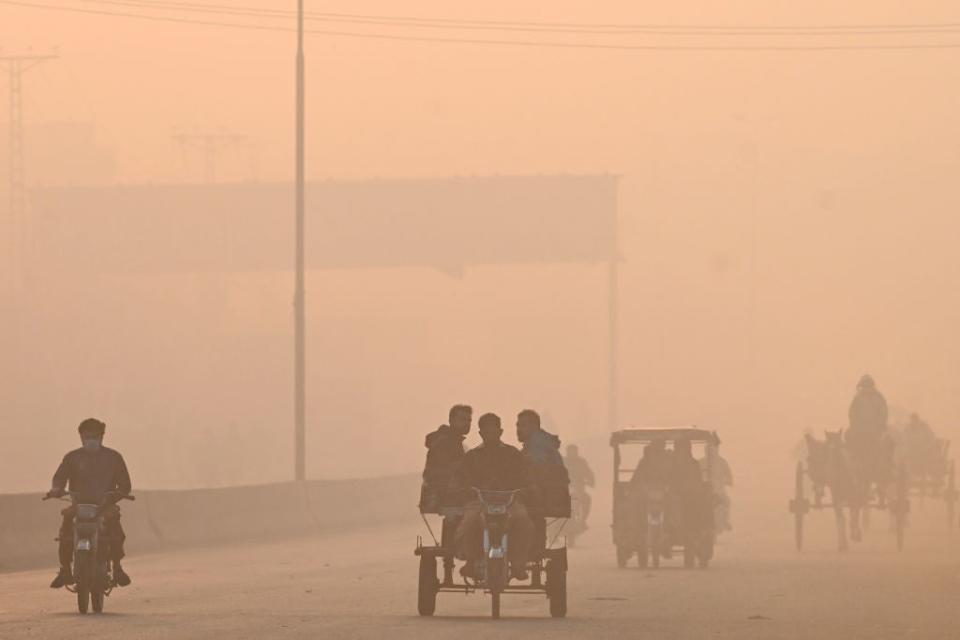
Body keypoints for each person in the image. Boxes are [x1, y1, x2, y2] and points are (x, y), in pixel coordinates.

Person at [47, 418, 132, 589]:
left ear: (101, 437)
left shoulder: (114, 457)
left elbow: (125, 485)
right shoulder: (72, 457)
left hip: (105, 506)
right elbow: (59, 478)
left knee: (115, 532)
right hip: (79, 506)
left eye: (94, 436)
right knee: (66, 532)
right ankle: (65, 569)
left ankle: (117, 567)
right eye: (87, 436)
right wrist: (56, 489)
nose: (91, 440)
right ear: (81, 437)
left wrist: (119, 494)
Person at [454, 413, 535, 580]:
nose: (490, 436)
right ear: (481, 434)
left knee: (523, 520)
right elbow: (462, 479)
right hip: (480, 501)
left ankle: (519, 563)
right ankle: (470, 561)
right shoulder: (472, 456)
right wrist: (464, 489)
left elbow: (525, 477)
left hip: (510, 501)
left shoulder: (513, 454)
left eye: (494, 432)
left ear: (500, 432)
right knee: (468, 522)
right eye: (486, 432)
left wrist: (526, 488)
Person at [420, 404, 472, 513]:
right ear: (451, 420)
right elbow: (449, 470)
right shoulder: (444, 442)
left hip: (443, 492)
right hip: (440, 494)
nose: (467, 424)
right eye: (462, 419)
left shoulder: (454, 440)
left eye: (469, 420)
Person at [846, 374, 889, 458]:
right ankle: (851, 461)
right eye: (864, 385)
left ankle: (886, 465)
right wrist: (855, 425)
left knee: (887, 445)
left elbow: (883, 414)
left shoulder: (878, 398)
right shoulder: (858, 398)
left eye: (868, 385)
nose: (866, 387)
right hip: (860, 430)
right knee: (847, 436)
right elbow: (852, 414)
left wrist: (879, 426)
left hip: (876, 431)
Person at [700, 434, 733, 532]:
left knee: (726, 502)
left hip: (717, 491)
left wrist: (728, 481)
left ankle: (725, 521)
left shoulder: (722, 462)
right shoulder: (702, 462)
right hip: (705, 491)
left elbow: (729, 476)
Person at [564, 444, 595, 523]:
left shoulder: (581, 462)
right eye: (570, 451)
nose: (572, 453)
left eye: (574, 451)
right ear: (567, 452)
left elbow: (588, 473)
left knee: (587, 500)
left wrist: (591, 481)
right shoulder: (563, 461)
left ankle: (582, 520)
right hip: (563, 489)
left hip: (579, 489)